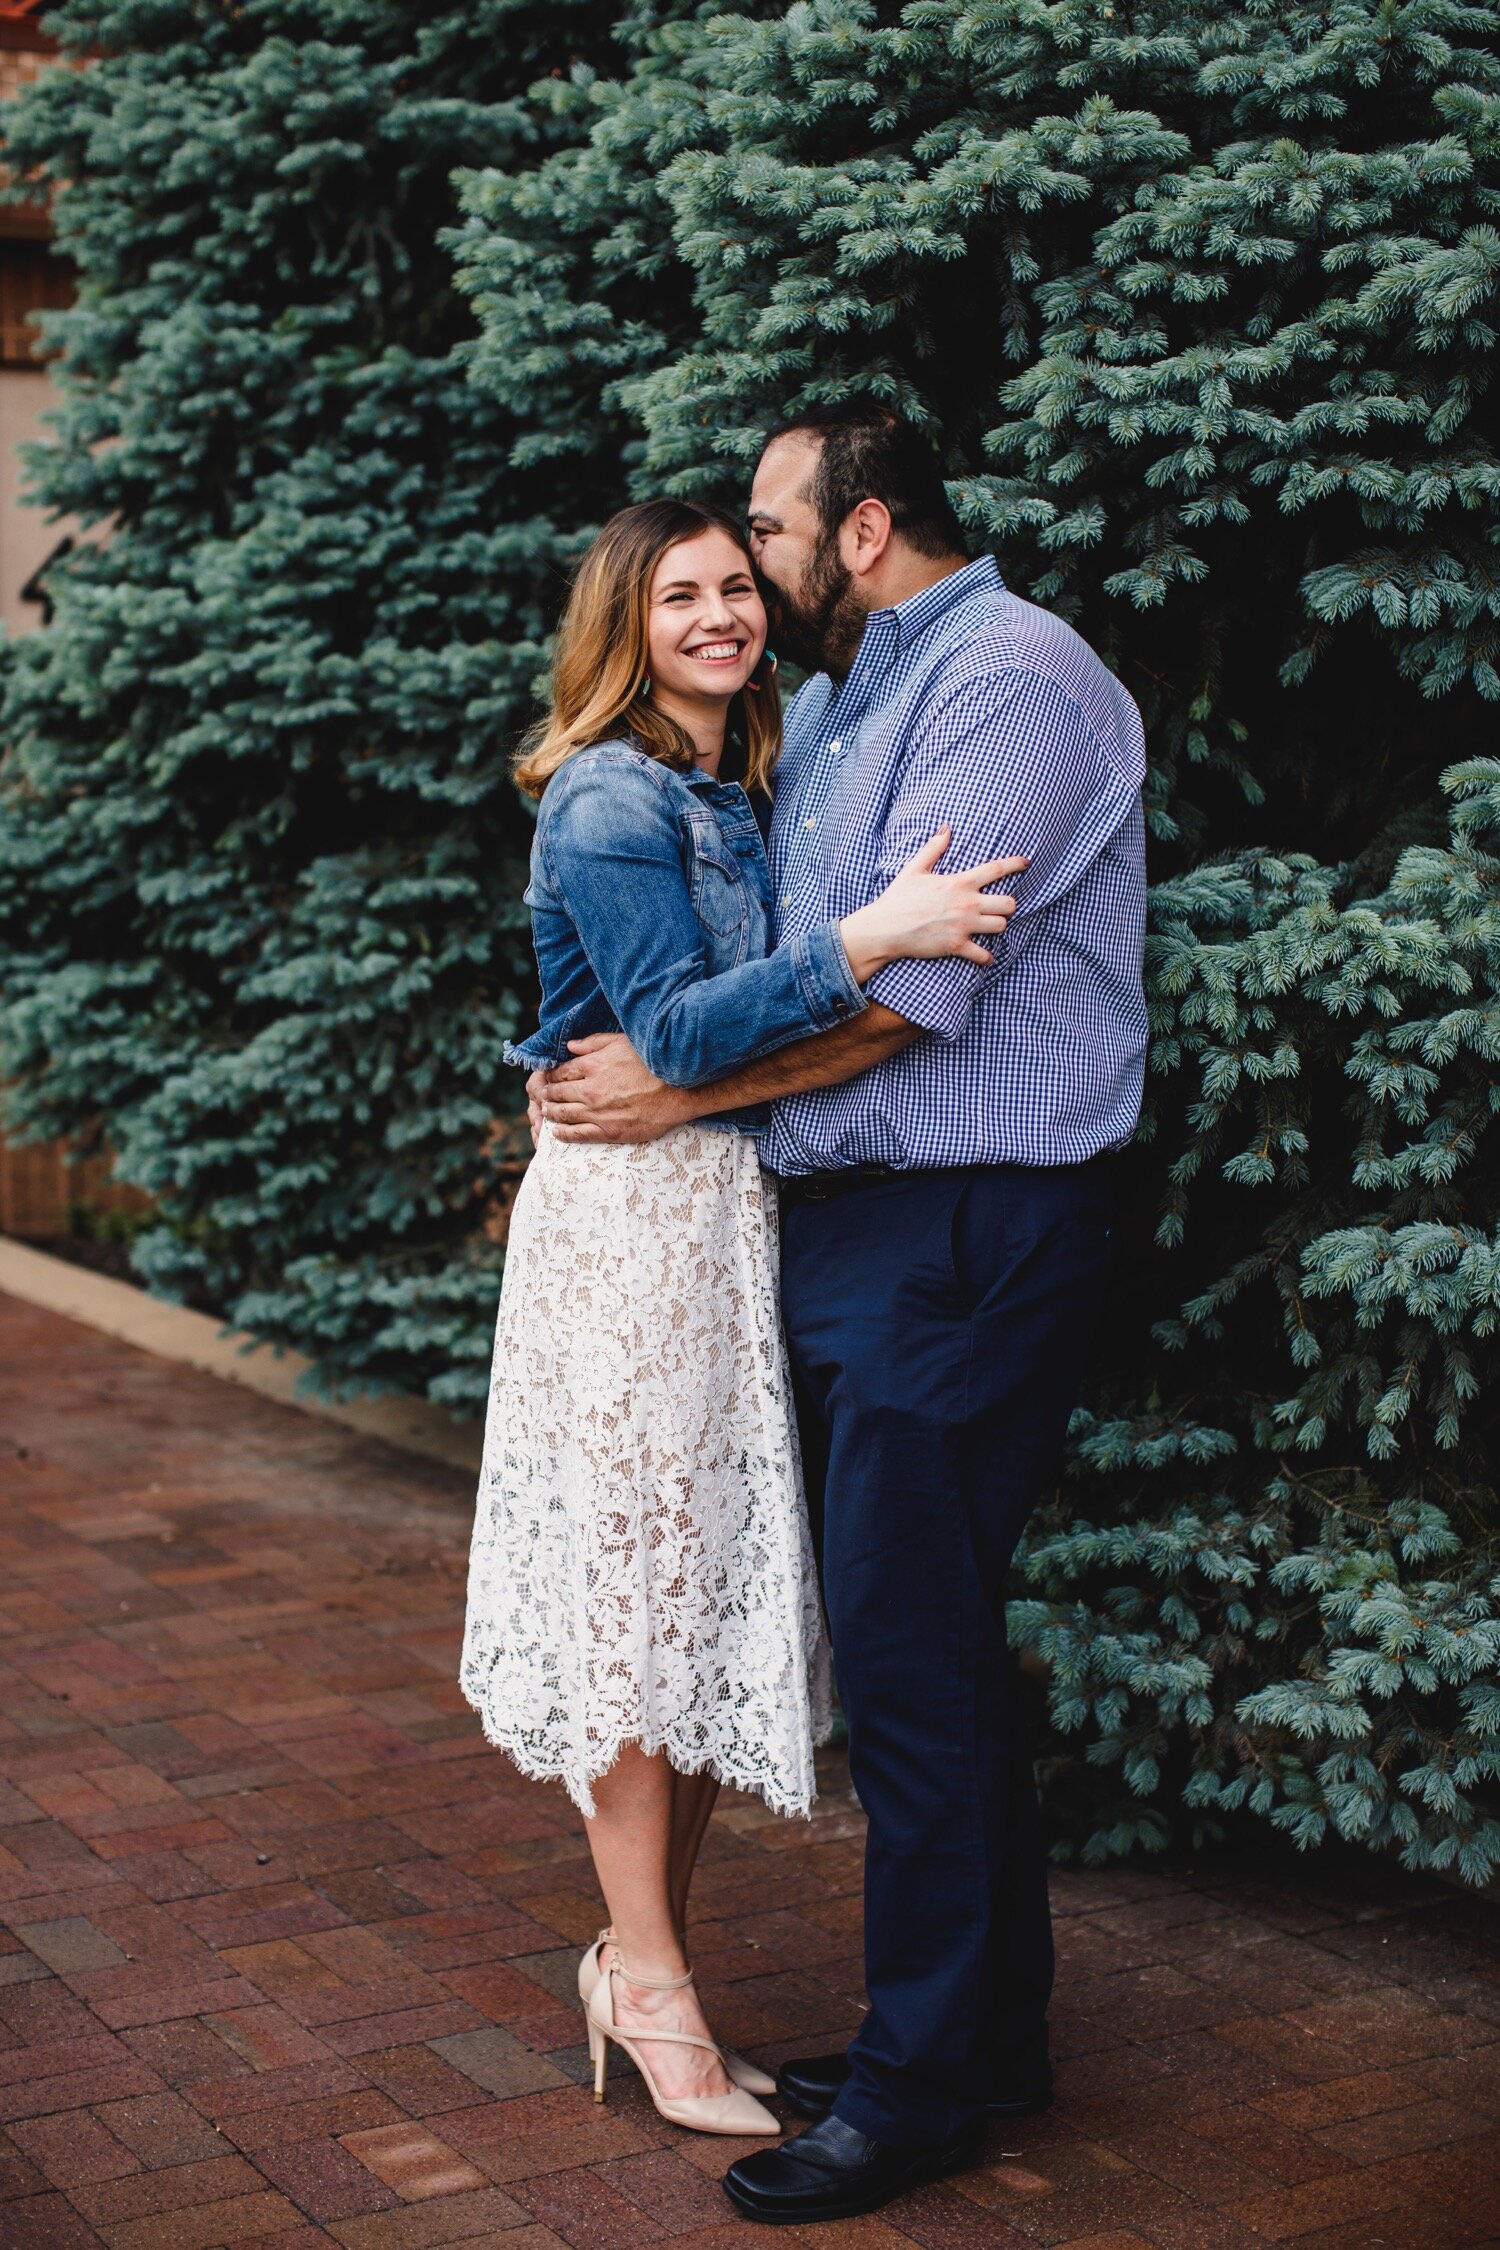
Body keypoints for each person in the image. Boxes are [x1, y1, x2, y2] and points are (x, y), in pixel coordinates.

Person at [532, 405, 1148, 2223]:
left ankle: (919, 2088)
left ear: (860, 528)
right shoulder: (861, 689)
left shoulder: (1015, 677)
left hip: (971, 1218)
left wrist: (681, 1092)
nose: (754, 571)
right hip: (862, 1227)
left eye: (772, 539)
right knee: (925, 1643)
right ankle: (986, 2035)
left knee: (904, 1654)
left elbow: (925, 989)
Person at [460, 495, 1026, 2142]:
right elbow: (683, 1032)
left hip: (719, 1219)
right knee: (644, 1610)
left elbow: (693, 1049)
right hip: (630, 1232)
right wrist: (876, 938)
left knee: (703, 1607)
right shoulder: (612, 792)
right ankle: (650, 1983)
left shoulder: (743, 778)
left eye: (734, 586)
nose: (720, 614)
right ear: (621, 622)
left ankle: (640, 1958)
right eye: (679, 594)